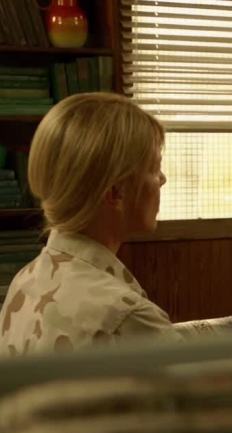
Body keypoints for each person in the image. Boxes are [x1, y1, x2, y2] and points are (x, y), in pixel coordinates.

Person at [0, 93, 182, 355]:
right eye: (154, 168)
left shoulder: (23, 281)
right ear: (116, 192)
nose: (162, 179)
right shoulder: (126, 317)